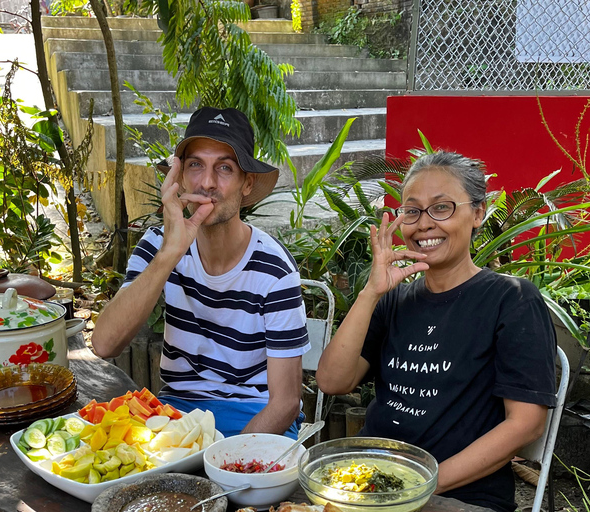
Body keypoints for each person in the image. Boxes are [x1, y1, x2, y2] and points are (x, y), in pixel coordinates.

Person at [315, 152, 556, 512]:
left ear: (477, 213)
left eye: (441, 208)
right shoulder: (394, 300)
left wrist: (414, 488)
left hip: (457, 495)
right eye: (411, 211)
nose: (424, 223)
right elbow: (333, 381)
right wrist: (371, 292)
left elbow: (525, 425)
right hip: (367, 481)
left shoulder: (512, 300)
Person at [92, 107, 310, 440]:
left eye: (224, 167)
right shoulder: (158, 246)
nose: (207, 183)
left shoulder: (275, 270)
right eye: (195, 165)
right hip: (177, 413)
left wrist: (225, 458)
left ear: (247, 183)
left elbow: (285, 404)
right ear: (178, 177)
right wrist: (170, 253)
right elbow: (105, 344)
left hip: (255, 415)